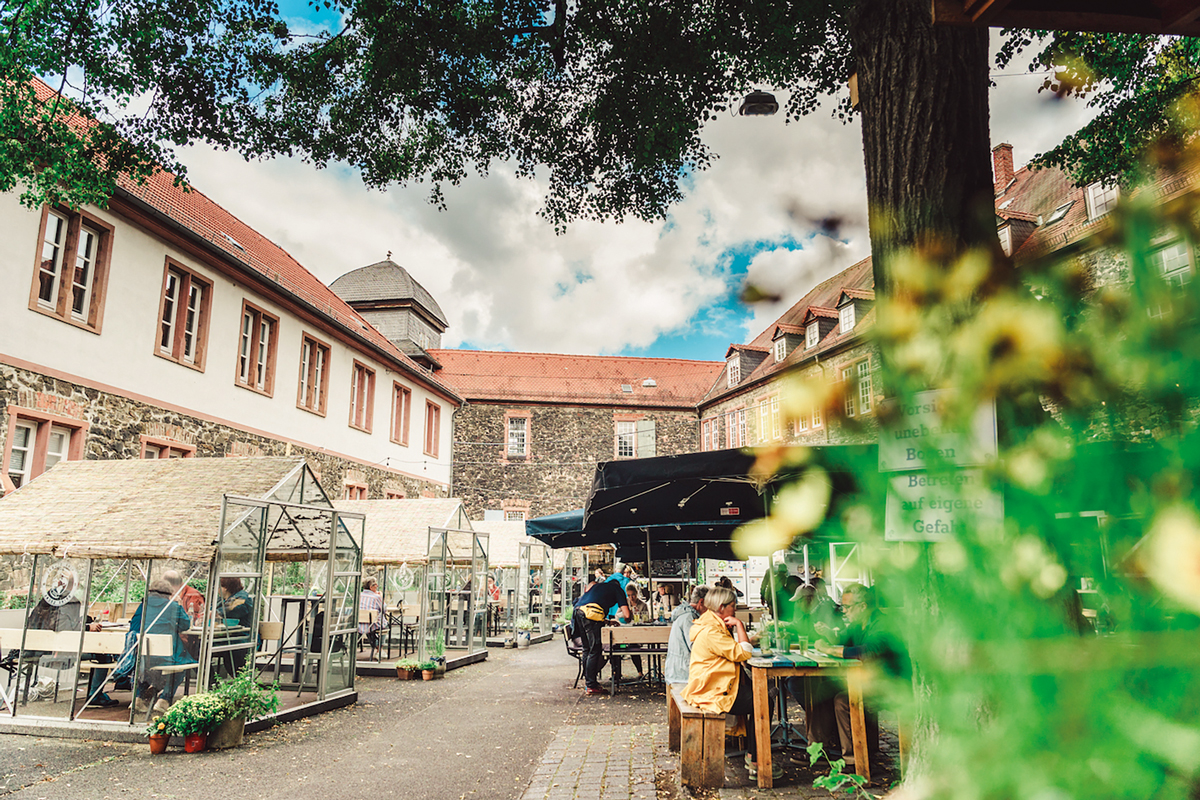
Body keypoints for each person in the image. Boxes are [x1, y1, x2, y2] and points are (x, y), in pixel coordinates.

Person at [681, 586, 779, 780]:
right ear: (721, 607)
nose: (735, 609)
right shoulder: (712, 631)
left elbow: (736, 650)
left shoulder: (709, 623)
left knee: (761, 695)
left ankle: (754, 754)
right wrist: (739, 626)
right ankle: (757, 760)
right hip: (713, 691)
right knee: (764, 701)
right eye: (733, 606)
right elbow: (743, 653)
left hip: (711, 685)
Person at [812, 583, 907, 767]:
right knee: (823, 689)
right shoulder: (858, 624)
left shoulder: (882, 623)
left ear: (863, 606)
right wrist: (828, 636)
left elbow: (868, 652)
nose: (844, 611)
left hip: (890, 685)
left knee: (843, 701)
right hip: (868, 681)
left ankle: (855, 761)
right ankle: (817, 751)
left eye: (847, 607)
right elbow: (842, 641)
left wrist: (829, 649)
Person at [127, 578, 194, 715]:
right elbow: (186, 625)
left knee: (148, 667)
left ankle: (138, 699)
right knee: (182, 665)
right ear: (168, 594)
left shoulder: (143, 606)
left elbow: (133, 627)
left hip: (143, 655)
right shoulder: (173, 606)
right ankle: (164, 699)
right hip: (166, 656)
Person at [571, 574, 631, 695]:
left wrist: (607, 622)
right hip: (590, 615)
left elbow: (591, 602)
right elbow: (627, 615)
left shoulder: (598, 587)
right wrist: (630, 620)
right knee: (595, 650)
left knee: (587, 649)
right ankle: (591, 685)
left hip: (578, 612)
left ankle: (589, 682)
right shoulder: (617, 590)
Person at [664, 585, 707, 685]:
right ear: (701, 602)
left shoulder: (684, 613)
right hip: (683, 674)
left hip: (676, 670)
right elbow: (695, 646)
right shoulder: (689, 617)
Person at [610, 583, 648, 684]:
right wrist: (627, 613)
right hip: (624, 631)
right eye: (629, 595)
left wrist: (638, 615)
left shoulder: (642, 605)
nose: (632, 597)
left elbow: (646, 619)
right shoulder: (624, 603)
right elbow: (617, 615)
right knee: (616, 647)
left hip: (637, 633)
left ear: (636, 593)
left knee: (634, 646)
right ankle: (616, 673)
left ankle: (640, 672)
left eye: (633, 595)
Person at [217, 576, 254, 675]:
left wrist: (216, 613)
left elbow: (232, 609)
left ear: (225, 588)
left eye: (218, 586)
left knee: (201, 650)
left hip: (243, 638)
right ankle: (212, 682)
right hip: (230, 638)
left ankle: (212, 682)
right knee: (200, 650)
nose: (217, 590)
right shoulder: (223, 599)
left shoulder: (242, 598)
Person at [163, 569, 204, 658]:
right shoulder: (164, 596)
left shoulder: (193, 595)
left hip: (185, 639)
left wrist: (178, 605)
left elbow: (192, 621)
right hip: (169, 639)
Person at [359, 577, 385, 650]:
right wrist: (381, 597)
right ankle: (379, 649)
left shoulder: (358, 595)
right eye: (376, 585)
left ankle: (374, 645)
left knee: (372, 626)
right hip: (372, 625)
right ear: (371, 587)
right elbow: (383, 610)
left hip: (358, 625)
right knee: (385, 625)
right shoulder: (377, 597)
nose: (377, 586)